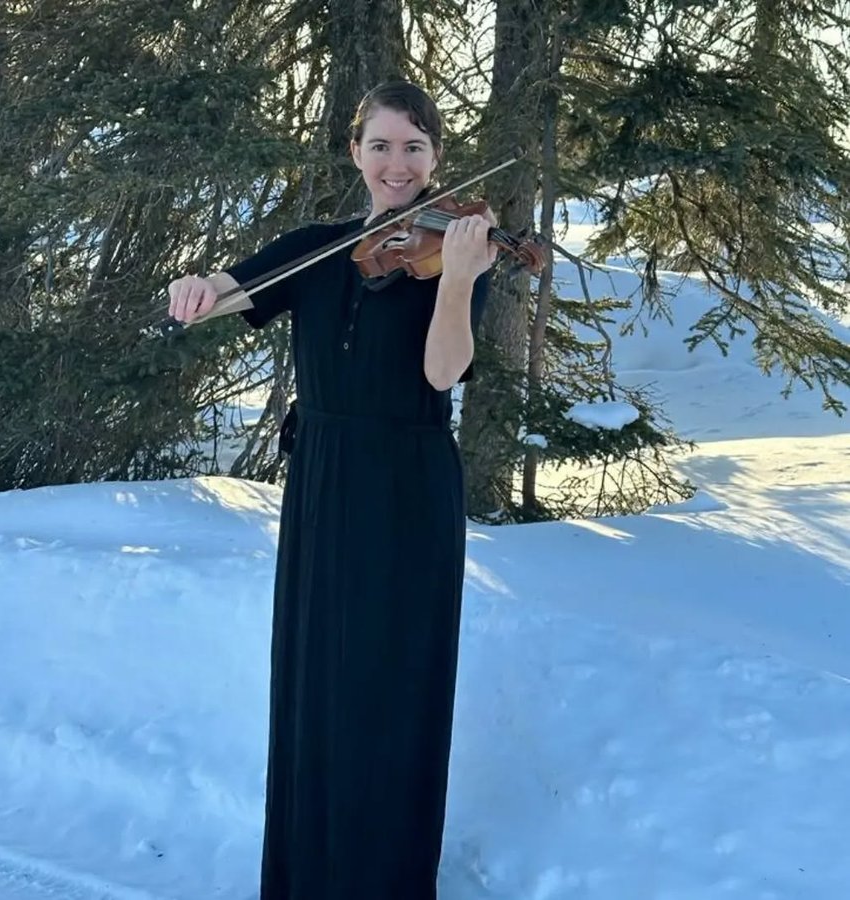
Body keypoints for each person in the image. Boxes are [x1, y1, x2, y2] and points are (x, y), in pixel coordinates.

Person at [168, 80, 496, 900]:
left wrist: (456, 280)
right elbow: (225, 295)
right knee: (317, 676)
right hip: (323, 475)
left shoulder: (457, 249)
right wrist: (192, 290)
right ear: (355, 152)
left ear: (435, 159)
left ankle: (384, 881)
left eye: (414, 148)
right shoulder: (316, 247)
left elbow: (442, 372)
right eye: (381, 145)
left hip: (409, 483)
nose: (397, 164)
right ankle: (306, 876)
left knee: (393, 679)